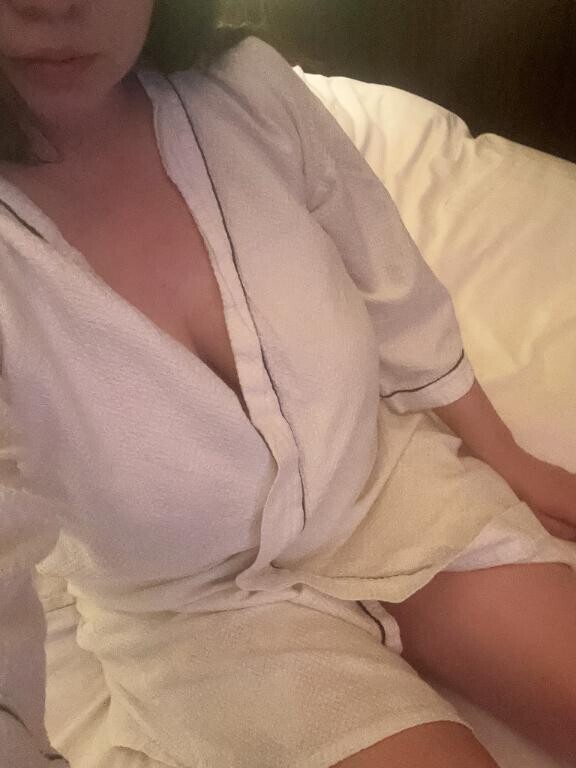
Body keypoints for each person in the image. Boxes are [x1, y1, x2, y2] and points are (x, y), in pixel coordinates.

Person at [0, 2, 575, 767]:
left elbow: (392, 284)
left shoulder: (245, 89)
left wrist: (505, 455)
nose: (54, 4)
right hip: (193, 611)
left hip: (380, 484)